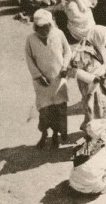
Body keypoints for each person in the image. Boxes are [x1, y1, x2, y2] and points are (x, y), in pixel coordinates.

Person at [24, 9, 72, 149]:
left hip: (58, 78)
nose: (43, 30)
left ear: (51, 24)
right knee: (45, 111)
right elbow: (29, 59)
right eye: (39, 27)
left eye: (46, 26)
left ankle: (57, 135)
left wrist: (64, 67)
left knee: (59, 108)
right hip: (42, 82)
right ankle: (44, 134)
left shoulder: (59, 34)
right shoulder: (30, 39)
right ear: (35, 27)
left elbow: (67, 51)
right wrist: (38, 76)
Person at [69, 27, 106, 129]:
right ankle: (96, 132)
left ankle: (96, 129)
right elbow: (74, 71)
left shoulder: (95, 44)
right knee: (95, 107)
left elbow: (105, 61)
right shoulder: (83, 51)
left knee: (97, 107)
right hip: (90, 85)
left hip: (96, 83)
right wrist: (93, 78)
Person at [68, 119, 106, 194]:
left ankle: (95, 178)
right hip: (94, 187)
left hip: (75, 183)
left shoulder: (86, 143)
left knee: (91, 162)